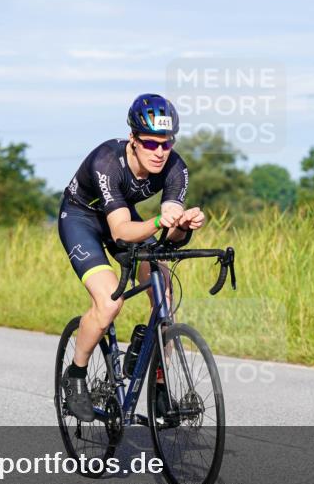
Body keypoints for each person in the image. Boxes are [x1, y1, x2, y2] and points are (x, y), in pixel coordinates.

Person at [58, 93, 205, 421]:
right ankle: (76, 376)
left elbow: (171, 235)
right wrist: (155, 222)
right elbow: (123, 231)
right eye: (151, 143)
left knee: (163, 293)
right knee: (110, 303)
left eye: (166, 144)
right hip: (82, 220)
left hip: (124, 217)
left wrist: (182, 224)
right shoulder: (107, 162)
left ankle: (159, 384)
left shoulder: (175, 168)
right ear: (133, 140)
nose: (159, 152)